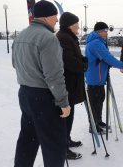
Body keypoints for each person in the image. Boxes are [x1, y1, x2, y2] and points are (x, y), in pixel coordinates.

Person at [12, 0, 70, 167]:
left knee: (27, 138)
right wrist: (63, 103)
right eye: (55, 16)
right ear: (45, 17)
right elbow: (54, 75)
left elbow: (15, 64)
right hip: (44, 97)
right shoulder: (48, 38)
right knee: (53, 143)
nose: (57, 20)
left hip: (25, 94)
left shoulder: (21, 36)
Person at [56, 12, 88, 160]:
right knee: (65, 117)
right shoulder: (64, 38)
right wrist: (83, 65)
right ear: (70, 25)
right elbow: (69, 61)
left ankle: (66, 139)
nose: (79, 27)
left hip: (72, 85)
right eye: (77, 24)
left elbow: (75, 56)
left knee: (70, 115)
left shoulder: (69, 37)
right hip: (67, 85)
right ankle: (63, 148)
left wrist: (82, 59)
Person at [84, 22, 123, 133]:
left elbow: (105, 60)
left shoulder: (100, 41)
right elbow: (108, 58)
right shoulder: (95, 43)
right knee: (94, 102)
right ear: (98, 32)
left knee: (100, 99)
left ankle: (99, 121)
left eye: (107, 31)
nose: (106, 33)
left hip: (100, 78)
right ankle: (93, 126)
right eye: (104, 31)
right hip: (94, 78)